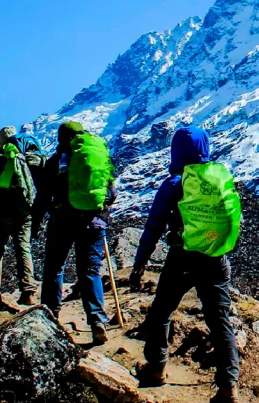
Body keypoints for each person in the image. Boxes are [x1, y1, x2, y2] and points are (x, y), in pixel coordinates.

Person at [130, 127, 242, 403]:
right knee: (220, 321)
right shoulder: (217, 179)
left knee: (161, 312)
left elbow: (154, 226)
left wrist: (140, 263)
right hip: (215, 258)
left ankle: (156, 368)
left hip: (182, 258)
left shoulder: (173, 184)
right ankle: (229, 387)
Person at [35, 121, 117, 344]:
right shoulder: (98, 158)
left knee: (54, 267)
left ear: (61, 138)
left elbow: (42, 196)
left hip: (63, 221)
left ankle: (50, 316)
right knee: (90, 271)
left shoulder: (56, 162)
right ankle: (98, 320)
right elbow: (112, 194)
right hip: (95, 222)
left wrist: (35, 222)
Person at [0, 126, 40, 305]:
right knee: (23, 248)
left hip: (2, 211)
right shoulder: (30, 159)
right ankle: (28, 291)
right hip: (25, 212)